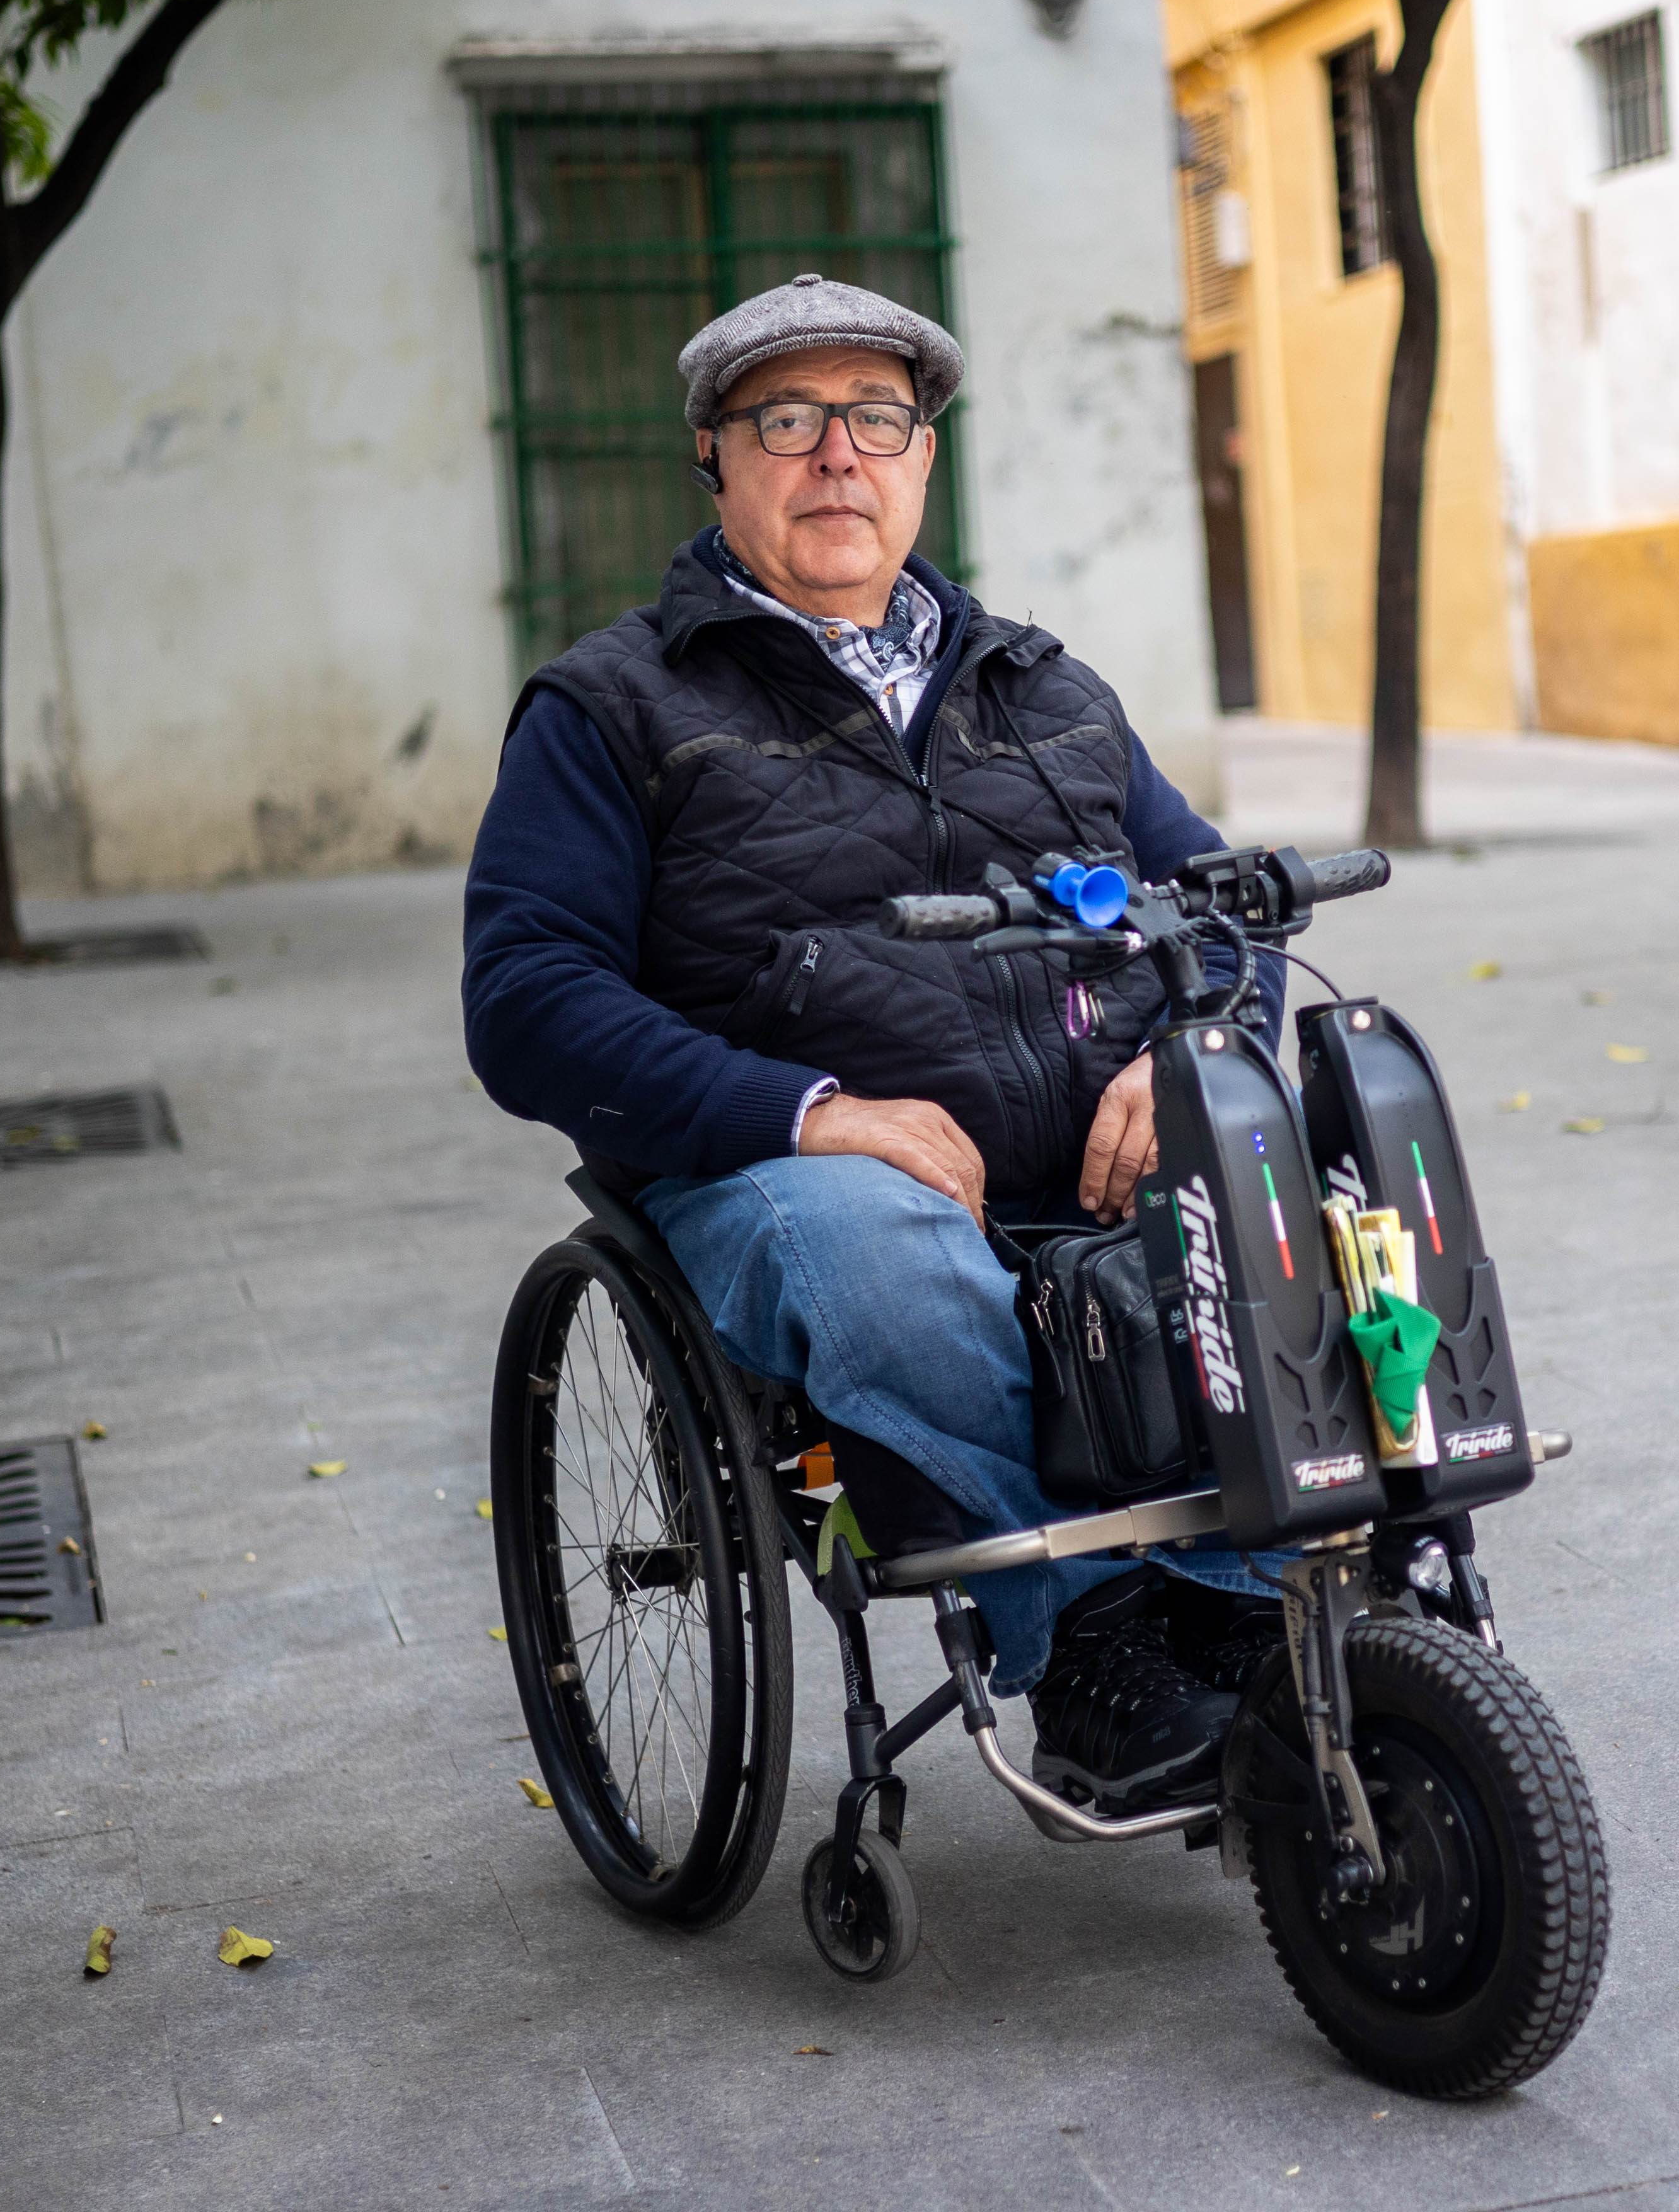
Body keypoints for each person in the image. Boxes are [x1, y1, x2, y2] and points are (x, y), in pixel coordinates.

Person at [463, 275, 1286, 1811]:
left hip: (1090, 1149)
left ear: (924, 458)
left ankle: (1247, 1615)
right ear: (714, 454)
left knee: (1291, 1165)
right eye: (789, 420)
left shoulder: (1050, 688)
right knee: (878, 1248)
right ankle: (1092, 1641)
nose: (838, 454)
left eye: (879, 419)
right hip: (796, 1163)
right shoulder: (611, 707)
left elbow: (1221, 913)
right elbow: (524, 1000)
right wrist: (809, 1110)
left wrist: (1187, 1062)